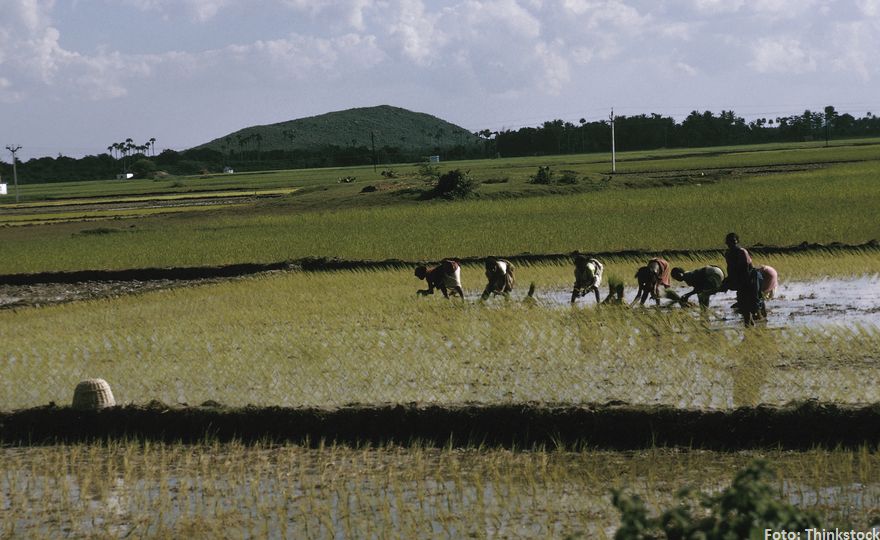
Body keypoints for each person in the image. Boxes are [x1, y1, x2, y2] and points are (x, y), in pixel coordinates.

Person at [721, 232, 763, 326]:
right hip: (739, 279)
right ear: (727, 243)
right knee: (743, 304)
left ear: (737, 242)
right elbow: (730, 268)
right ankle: (749, 325)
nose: (732, 244)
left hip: (749, 278)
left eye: (734, 242)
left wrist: (739, 282)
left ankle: (752, 323)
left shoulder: (742, 252)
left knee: (753, 301)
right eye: (729, 242)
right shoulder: (727, 254)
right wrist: (728, 280)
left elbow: (746, 268)